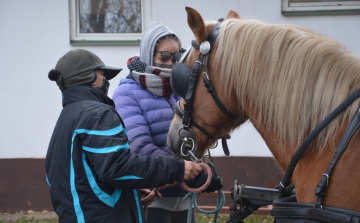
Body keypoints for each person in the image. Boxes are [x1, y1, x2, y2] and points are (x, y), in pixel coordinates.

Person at [45, 49, 204, 223]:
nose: (105, 81)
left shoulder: (67, 118)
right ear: (89, 78)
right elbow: (117, 168)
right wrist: (177, 168)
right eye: (102, 75)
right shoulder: (98, 114)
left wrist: (130, 193)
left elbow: (80, 178)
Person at [112, 22, 223, 223]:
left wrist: (202, 167)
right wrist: (184, 168)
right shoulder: (126, 93)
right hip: (152, 201)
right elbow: (140, 148)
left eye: (176, 57)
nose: (172, 63)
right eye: (164, 57)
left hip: (183, 198)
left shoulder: (178, 91)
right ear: (148, 54)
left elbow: (188, 141)